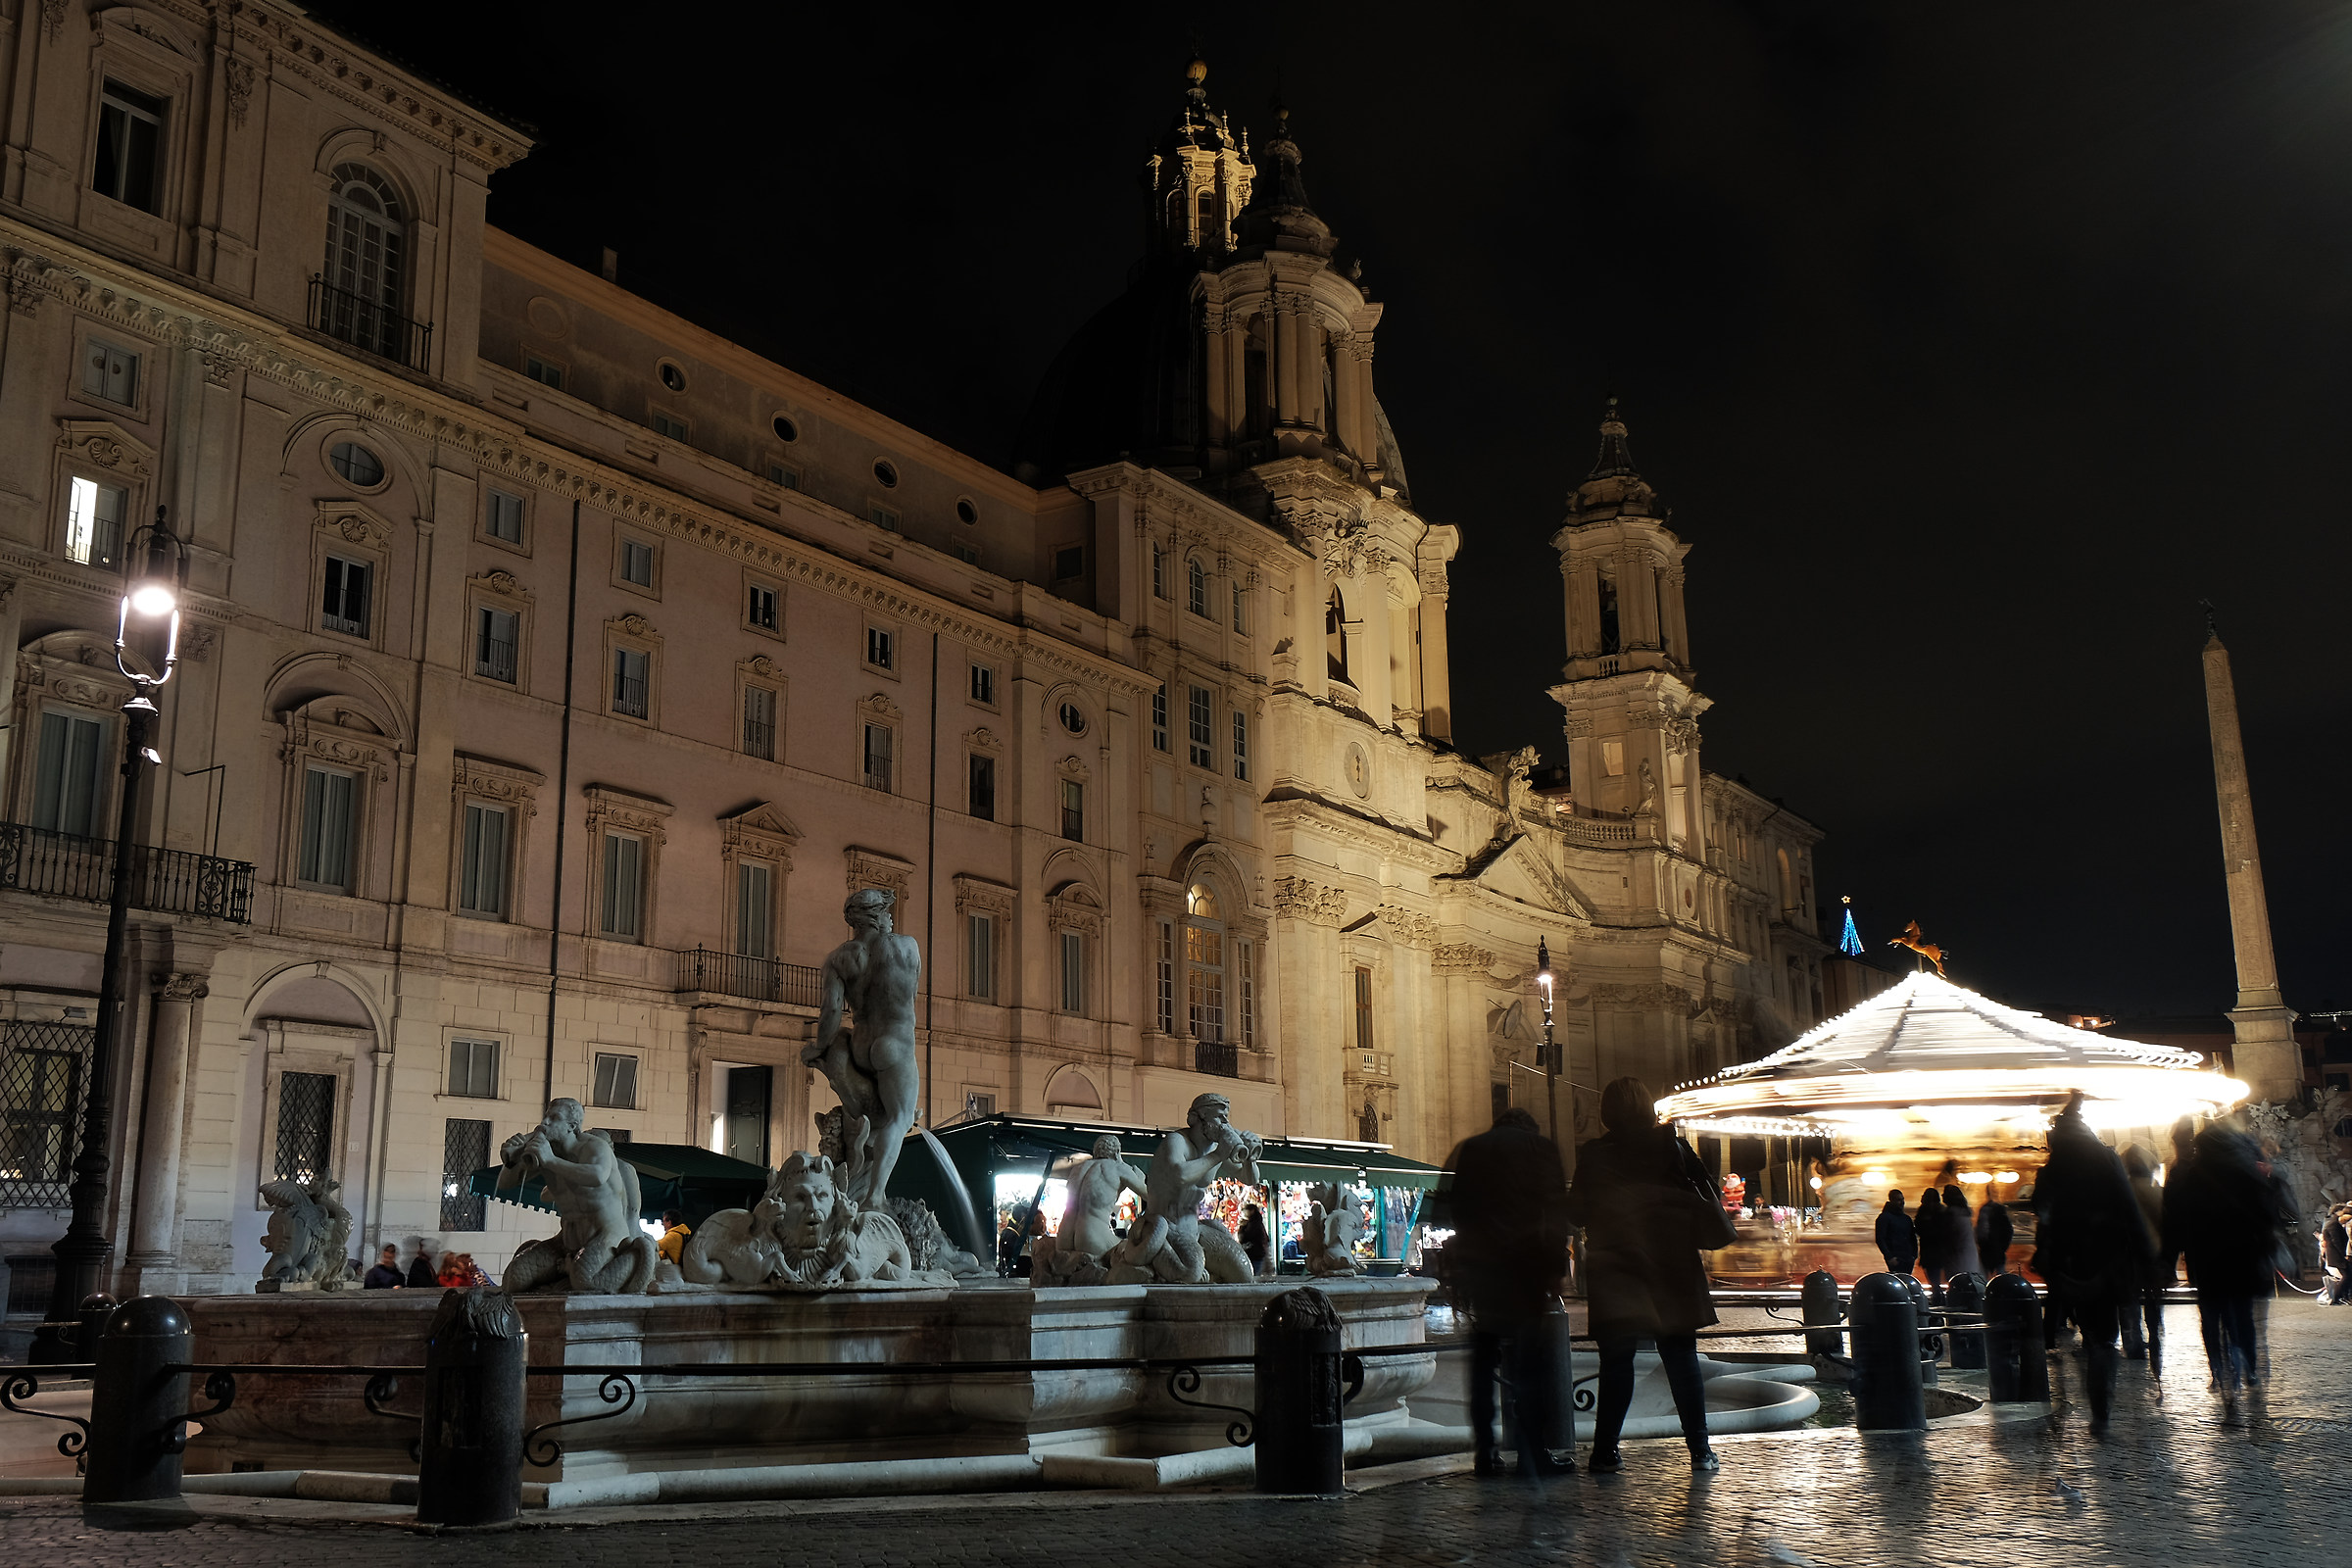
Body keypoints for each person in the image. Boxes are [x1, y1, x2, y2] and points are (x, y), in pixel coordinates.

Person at [1566, 1078, 1731, 1475]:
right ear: (1646, 1107)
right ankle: (1700, 1451)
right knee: (1681, 1360)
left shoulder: (1595, 1153)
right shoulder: (1671, 1145)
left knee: (1617, 1364)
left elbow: (1576, 1212)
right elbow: (1709, 1192)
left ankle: (1604, 1451)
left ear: (1607, 1111)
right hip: (1672, 1265)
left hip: (1618, 1268)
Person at [1441, 1106, 1570, 1478]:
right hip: (1525, 1267)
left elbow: (1456, 1209)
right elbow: (1554, 1213)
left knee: (1483, 1361)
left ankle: (1486, 1451)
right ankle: (1534, 1452)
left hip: (1484, 1268)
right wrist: (1554, 1270)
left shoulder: (1472, 1148)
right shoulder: (1540, 1149)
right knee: (1529, 1365)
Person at [2031, 1092, 2153, 1436]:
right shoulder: (2107, 1159)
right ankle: (2102, 1410)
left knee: (2090, 1329)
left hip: (2071, 1264)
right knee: (2103, 1338)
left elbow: (2043, 1213)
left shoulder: (2052, 1169)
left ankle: (2098, 1405)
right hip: (2109, 1259)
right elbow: (2129, 1208)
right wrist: (2146, 1256)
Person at [2162, 1118, 2290, 1409]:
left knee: (2211, 1318)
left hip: (2206, 1260)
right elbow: (2268, 1215)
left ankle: (2219, 1371)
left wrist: (2168, 1261)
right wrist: (2266, 1250)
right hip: (2244, 1259)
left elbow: (2173, 1222)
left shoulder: (2190, 1175)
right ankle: (2250, 1368)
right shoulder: (2248, 1171)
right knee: (2243, 1317)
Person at [2120, 1146, 2167, 1371]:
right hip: (2152, 1252)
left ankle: (2133, 1344)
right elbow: (2164, 1221)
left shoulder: (2121, 1189)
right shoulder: (2154, 1189)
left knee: (2129, 1302)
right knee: (2152, 1299)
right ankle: (2155, 1333)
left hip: (2127, 1253)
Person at [1875, 1191, 1918, 1277]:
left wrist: (1914, 1255)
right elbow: (1880, 1238)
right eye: (1898, 1200)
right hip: (1897, 1256)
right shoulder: (1885, 1218)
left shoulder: (1905, 1218)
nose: (1902, 1202)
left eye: (1902, 1199)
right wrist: (1889, 1256)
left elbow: (1912, 1237)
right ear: (1892, 1201)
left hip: (1906, 1256)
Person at [1974, 1191, 2014, 1277]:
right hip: (1997, 1250)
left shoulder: (1983, 1209)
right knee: (2000, 1277)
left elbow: (1979, 1232)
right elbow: (2009, 1231)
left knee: (1984, 1277)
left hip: (1986, 1251)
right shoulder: (2000, 1212)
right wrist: (2003, 1247)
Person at [2321, 1206, 2350, 1306]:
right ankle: (2337, 1297)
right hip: (2335, 1255)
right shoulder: (2333, 1224)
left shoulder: (2331, 1222)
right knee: (2344, 1277)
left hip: (2335, 1255)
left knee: (2346, 1276)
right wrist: (2343, 1254)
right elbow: (2336, 1241)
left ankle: (2342, 1297)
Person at [1239, 1202, 1272, 1278]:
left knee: (1253, 1276)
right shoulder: (1256, 1222)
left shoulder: (1254, 1224)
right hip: (1257, 1254)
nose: (1244, 1213)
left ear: (1252, 1211)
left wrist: (1242, 1227)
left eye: (1245, 1210)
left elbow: (1245, 1238)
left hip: (1255, 1254)